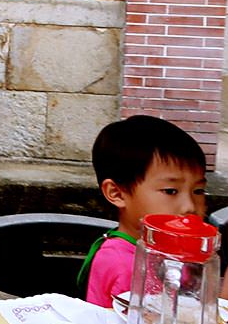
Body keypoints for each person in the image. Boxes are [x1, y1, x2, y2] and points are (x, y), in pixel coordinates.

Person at [80, 115, 208, 309]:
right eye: (170, 191)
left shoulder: (172, 252)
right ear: (117, 193)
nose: (190, 206)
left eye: (198, 191)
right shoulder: (124, 264)